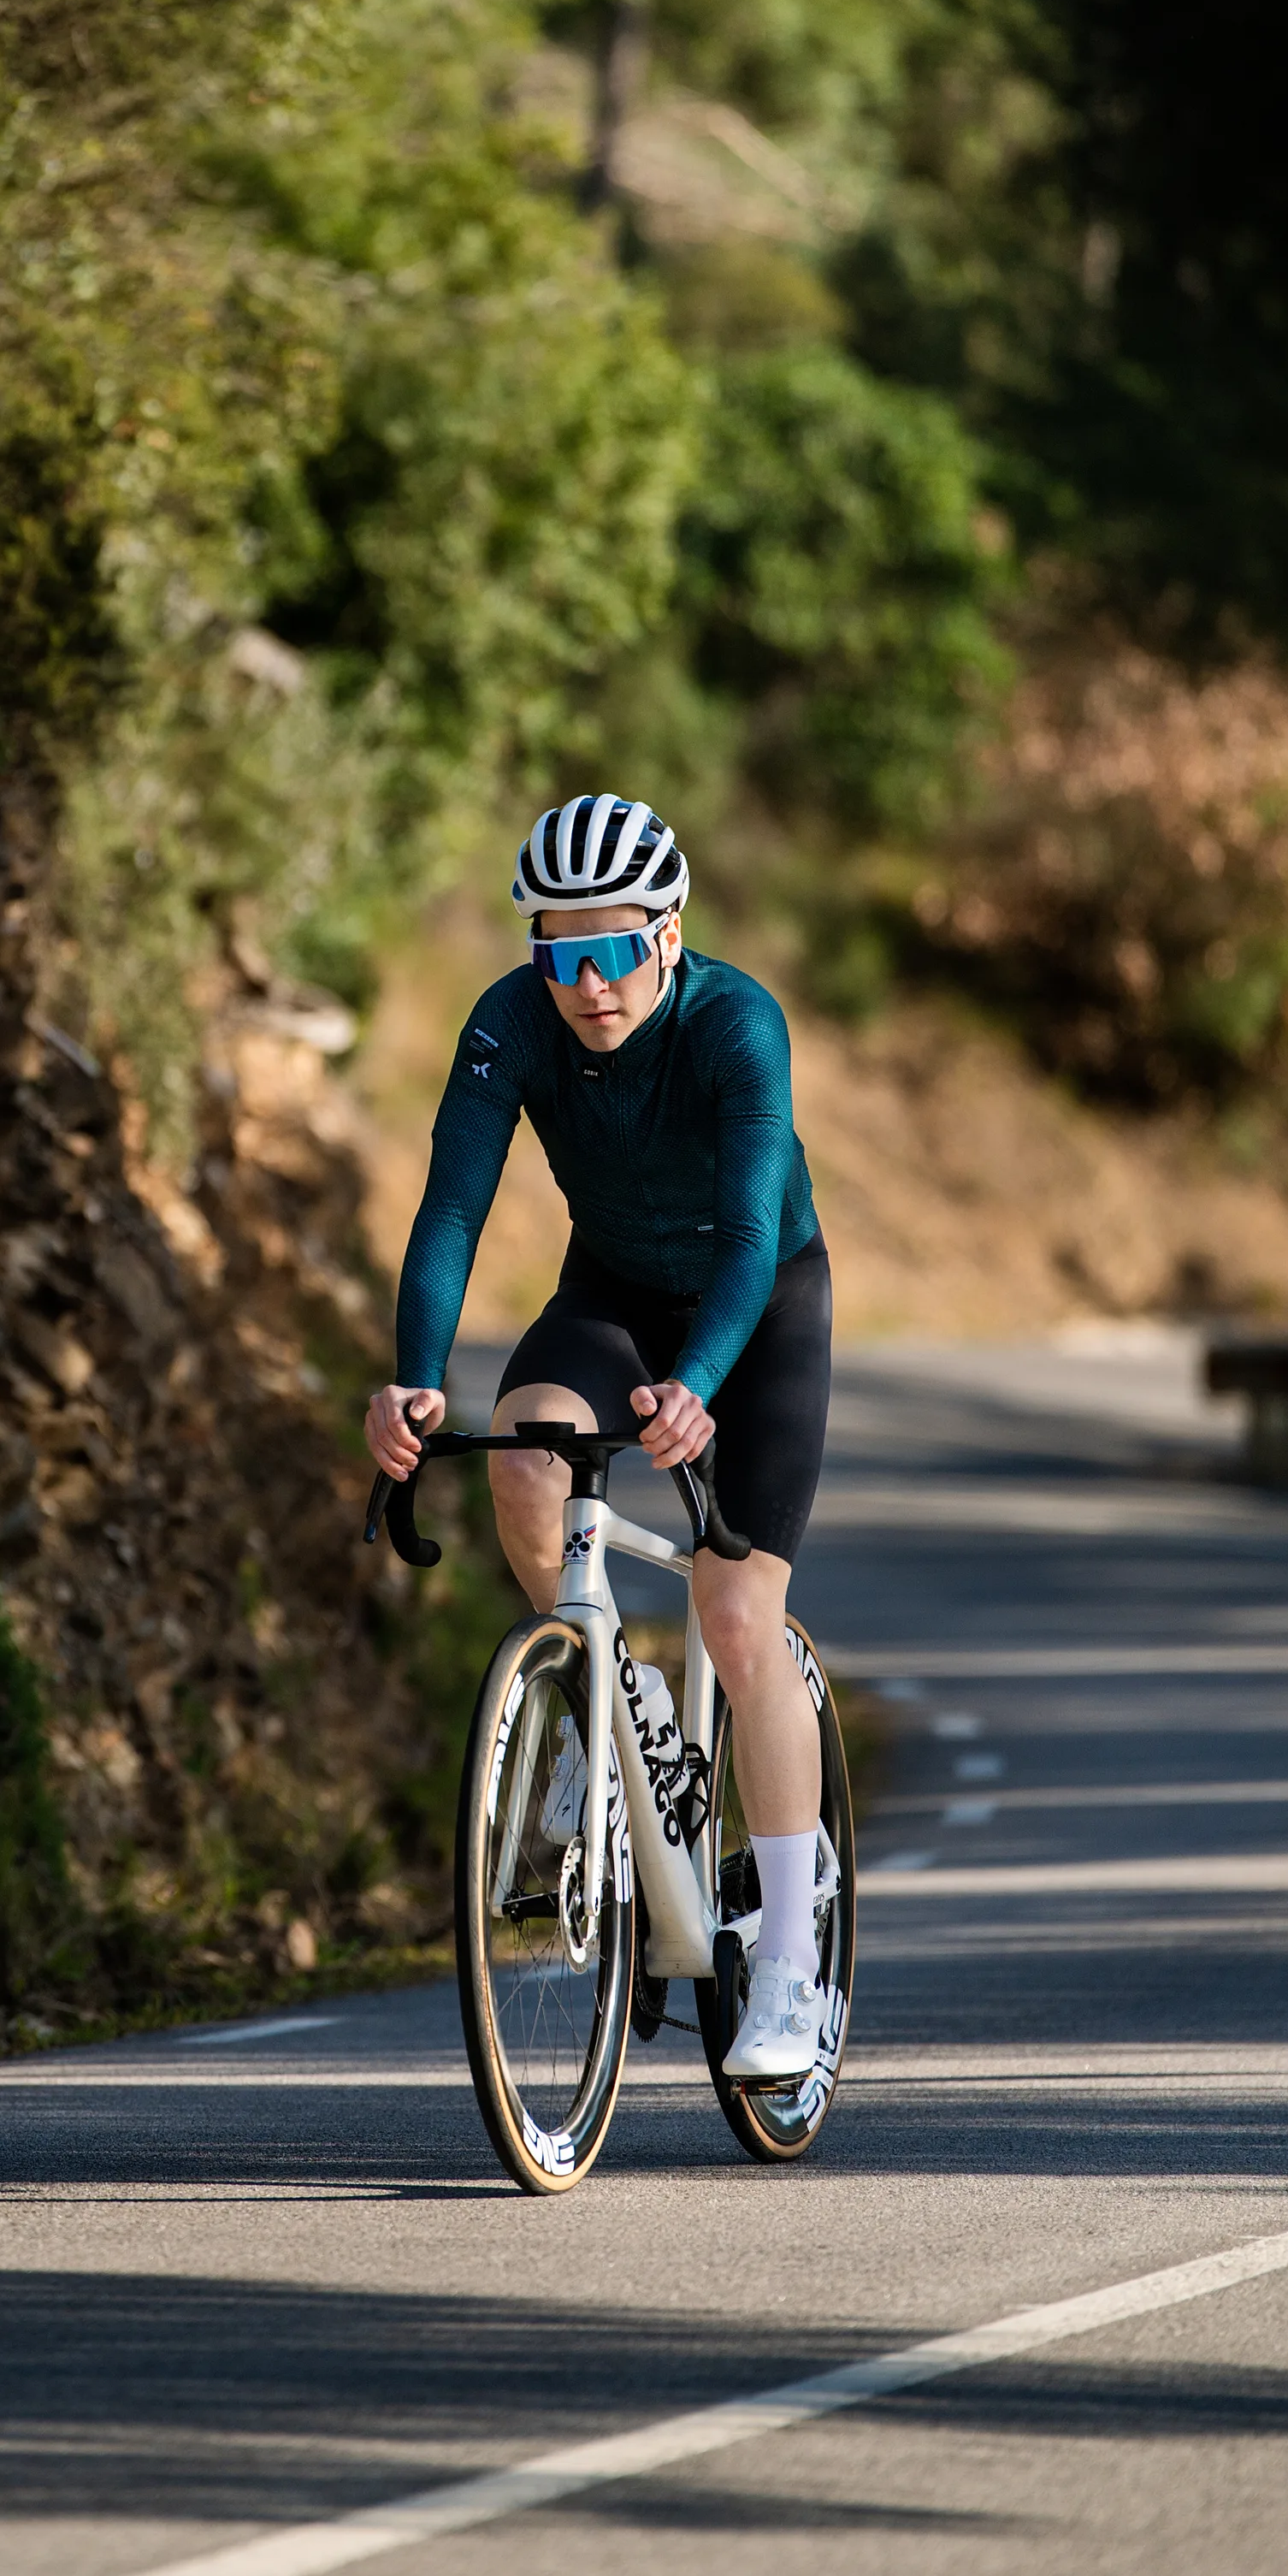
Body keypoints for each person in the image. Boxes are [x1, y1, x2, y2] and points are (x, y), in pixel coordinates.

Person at [364, 792, 833, 2081]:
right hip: (613, 1296)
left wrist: (698, 1385)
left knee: (738, 1620)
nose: (588, 982)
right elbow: (452, 1210)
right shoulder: (511, 1023)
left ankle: (789, 1964)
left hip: (759, 1303)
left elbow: (748, 1235)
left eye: (615, 947)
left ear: (670, 933)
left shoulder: (736, 1024)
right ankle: (601, 1713)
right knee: (523, 1454)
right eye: (559, 952)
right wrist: (411, 1380)